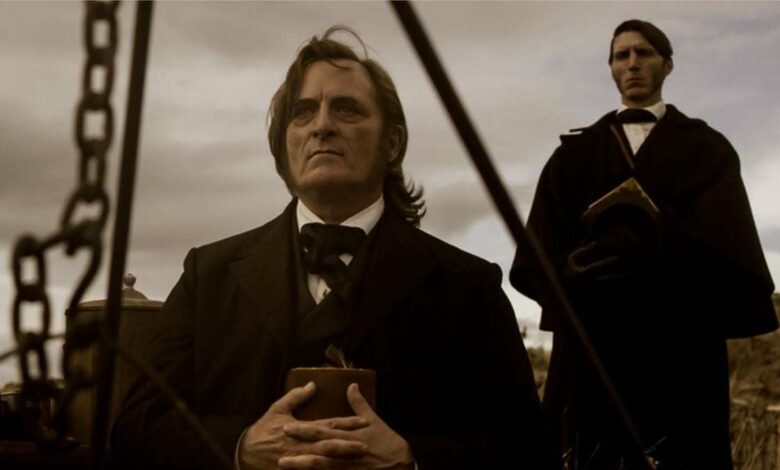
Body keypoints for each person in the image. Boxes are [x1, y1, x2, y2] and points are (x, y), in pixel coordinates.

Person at [112, 27, 556, 470]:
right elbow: (135, 429)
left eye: (346, 109)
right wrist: (240, 448)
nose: (322, 126)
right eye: (303, 112)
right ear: (284, 146)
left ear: (392, 143)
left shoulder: (468, 285)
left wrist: (412, 460)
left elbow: (530, 449)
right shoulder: (207, 276)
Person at [510, 19, 778, 469]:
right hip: (590, 357)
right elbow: (534, 256)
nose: (632, 63)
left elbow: (734, 255)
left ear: (667, 64)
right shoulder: (573, 155)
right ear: (612, 69)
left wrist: (661, 249)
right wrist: (568, 270)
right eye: (621, 55)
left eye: (644, 53)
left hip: (680, 359)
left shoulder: (708, 150)